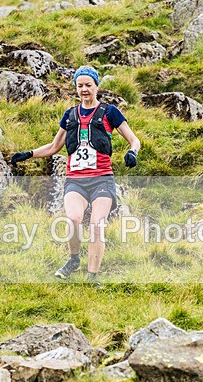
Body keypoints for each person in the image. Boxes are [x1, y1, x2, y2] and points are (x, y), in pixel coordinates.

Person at [10, 66, 141, 287]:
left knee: (97, 224)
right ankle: (73, 260)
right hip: (76, 180)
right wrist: (28, 154)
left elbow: (134, 140)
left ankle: (93, 276)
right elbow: (54, 146)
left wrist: (132, 152)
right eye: (80, 86)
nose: (84, 90)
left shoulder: (110, 112)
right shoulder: (70, 115)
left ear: (97, 86)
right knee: (73, 219)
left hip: (102, 179)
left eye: (88, 85)